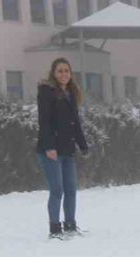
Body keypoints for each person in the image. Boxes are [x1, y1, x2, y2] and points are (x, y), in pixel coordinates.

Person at [36, 57, 88, 239]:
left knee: (71, 189)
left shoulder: (71, 93)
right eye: (60, 71)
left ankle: (71, 224)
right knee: (57, 189)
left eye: (67, 71)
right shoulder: (46, 92)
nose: (64, 74)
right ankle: (55, 227)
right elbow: (45, 121)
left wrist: (83, 145)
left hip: (67, 149)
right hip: (50, 150)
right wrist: (49, 147)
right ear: (53, 73)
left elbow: (75, 123)